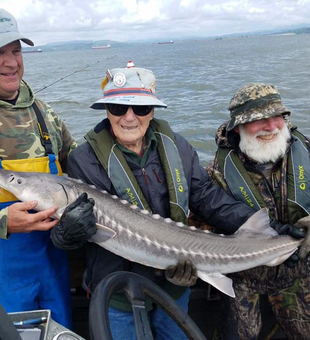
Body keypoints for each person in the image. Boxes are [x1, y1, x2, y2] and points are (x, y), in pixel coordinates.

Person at [51, 62, 300, 340]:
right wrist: (63, 235)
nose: (129, 118)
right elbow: (82, 227)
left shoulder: (177, 146)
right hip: (117, 293)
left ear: (153, 111)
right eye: (119, 108)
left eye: (141, 109)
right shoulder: (84, 159)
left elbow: (207, 197)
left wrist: (266, 229)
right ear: (107, 111)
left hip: (175, 286)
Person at [0, 8, 96, 328]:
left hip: (53, 269)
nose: (11, 62)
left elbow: (82, 169)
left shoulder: (45, 114)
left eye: (15, 50)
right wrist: (3, 221)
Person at [206, 83, 310, 340]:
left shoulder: (307, 152)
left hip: (301, 272)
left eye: (277, 116)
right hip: (243, 276)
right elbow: (202, 227)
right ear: (237, 126)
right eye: (258, 119)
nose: (271, 126)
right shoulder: (214, 173)